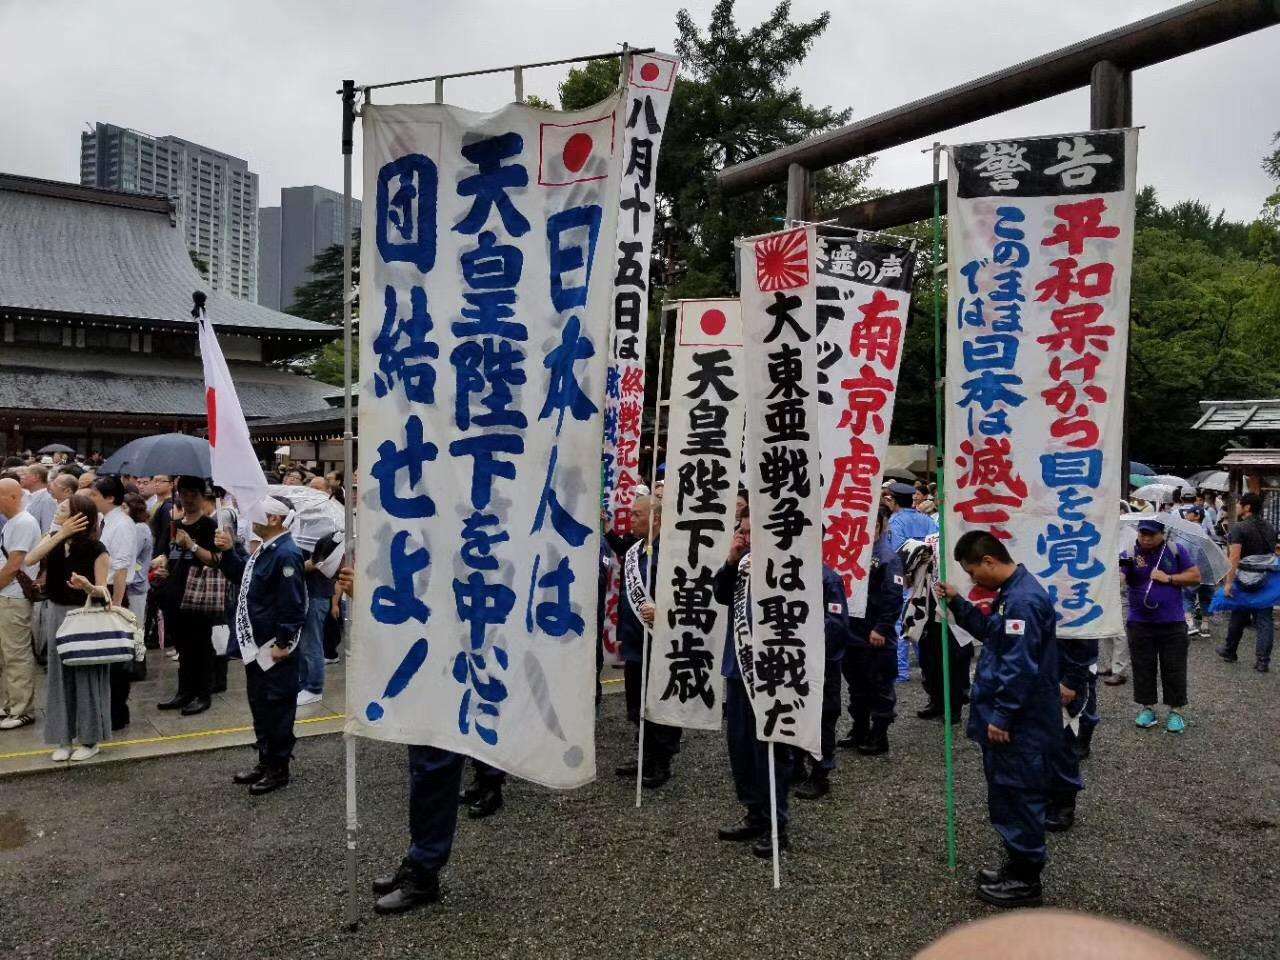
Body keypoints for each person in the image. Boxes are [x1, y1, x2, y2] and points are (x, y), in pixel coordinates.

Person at [936, 531, 1059, 908]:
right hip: (1010, 717)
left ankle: (1026, 880)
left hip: (1020, 723)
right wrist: (959, 604)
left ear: (989, 560)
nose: (973, 580)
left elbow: (1019, 666)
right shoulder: (1012, 594)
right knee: (1005, 793)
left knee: (1019, 794)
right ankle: (1016, 863)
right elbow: (994, 636)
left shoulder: (1022, 600)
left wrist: (1002, 716)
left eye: (973, 572)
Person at [712, 498, 798, 857]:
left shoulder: (786, 566)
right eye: (742, 531)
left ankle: (777, 823)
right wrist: (731, 560)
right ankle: (753, 812)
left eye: (750, 533)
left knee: (770, 750)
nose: (745, 538)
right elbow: (720, 595)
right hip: (737, 667)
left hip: (771, 673)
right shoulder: (742, 565)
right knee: (741, 747)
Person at [215, 495, 307, 795]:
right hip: (256, 645)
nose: (251, 518)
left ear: (275, 520)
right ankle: (265, 759)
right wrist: (228, 552)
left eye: (258, 514)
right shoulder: (266, 551)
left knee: (277, 706)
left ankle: (279, 767)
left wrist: (283, 640)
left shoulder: (286, 554)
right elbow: (244, 579)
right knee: (260, 704)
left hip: (273, 646)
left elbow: (291, 603)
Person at [26, 496, 113, 761]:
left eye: (64, 509)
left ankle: (90, 739)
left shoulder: (97, 548)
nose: (58, 511)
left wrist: (87, 587)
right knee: (58, 676)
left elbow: (104, 592)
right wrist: (59, 534)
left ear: (79, 516)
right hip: (55, 612)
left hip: (84, 615)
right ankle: (62, 738)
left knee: (86, 676)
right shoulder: (52, 538)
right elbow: (30, 559)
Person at [613, 491, 682, 789]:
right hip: (634, 643)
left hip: (660, 643)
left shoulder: (671, 551)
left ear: (655, 518)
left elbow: (686, 595)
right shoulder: (634, 552)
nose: (632, 520)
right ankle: (644, 754)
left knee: (660, 705)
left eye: (637, 515)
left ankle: (661, 760)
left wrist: (665, 611)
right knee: (636, 705)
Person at [833, 506, 905, 762]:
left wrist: (882, 628)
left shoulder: (887, 557)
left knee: (879, 686)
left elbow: (894, 597)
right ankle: (859, 728)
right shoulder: (851, 552)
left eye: (872, 525)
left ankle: (879, 734)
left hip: (876, 635)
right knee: (856, 685)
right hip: (852, 633)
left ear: (879, 527)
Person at [1121, 518, 1200, 733]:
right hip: (1139, 622)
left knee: (1174, 666)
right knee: (1143, 666)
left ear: (1162, 534)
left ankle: (1176, 711)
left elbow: (1195, 576)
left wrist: (1169, 578)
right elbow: (1121, 575)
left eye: (1151, 534)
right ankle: (1147, 708)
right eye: (1142, 534)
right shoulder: (1129, 552)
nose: (1146, 538)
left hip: (1172, 621)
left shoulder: (1176, 550)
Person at [153, 477, 220, 716]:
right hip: (174, 593)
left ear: (203, 496)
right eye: (184, 493)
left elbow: (216, 559)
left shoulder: (210, 526)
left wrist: (191, 545)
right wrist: (161, 566)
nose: (188, 498)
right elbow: (162, 555)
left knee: (200, 644)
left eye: (194, 493)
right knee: (182, 645)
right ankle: (184, 691)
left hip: (199, 595)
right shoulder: (172, 525)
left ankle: (203, 694)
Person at [793, 553, 852, 799]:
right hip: (795, 663)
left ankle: (820, 772)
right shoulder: (791, 575)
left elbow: (837, 625)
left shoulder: (829, 579)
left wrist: (810, 648)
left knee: (823, 717)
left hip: (822, 663)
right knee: (795, 713)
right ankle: (795, 766)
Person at [88, 476, 137, 730]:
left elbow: (120, 568)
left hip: (114, 592)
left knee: (116, 656)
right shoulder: (106, 522)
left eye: (95, 494)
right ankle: (106, 707)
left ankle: (118, 711)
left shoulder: (123, 524)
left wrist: (116, 605)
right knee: (104, 654)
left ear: (110, 497)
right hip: (102, 589)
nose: (91, 498)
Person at [1217, 492, 1277, 673]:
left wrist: (1228, 582)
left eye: (1239, 503)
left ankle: (1230, 651)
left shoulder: (1239, 528)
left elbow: (1234, 556)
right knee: (1265, 619)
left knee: (1239, 613)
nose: (1237, 506)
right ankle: (1262, 661)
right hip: (1265, 578)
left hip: (1244, 577)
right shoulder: (1270, 527)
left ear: (1247, 507)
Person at [885, 481, 938, 683]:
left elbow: (898, 553)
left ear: (894, 501)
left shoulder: (895, 522)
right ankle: (927, 668)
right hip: (928, 576)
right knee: (920, 621)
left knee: (901, 624)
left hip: (906, 579)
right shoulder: (927, 520)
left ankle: (901, 671)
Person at [0, 477, 40, 730]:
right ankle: (10, 704)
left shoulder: (24, 522)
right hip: (7, 595)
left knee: (16, 654)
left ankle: (22, 709)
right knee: (7, 654)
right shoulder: (13, 522)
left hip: (12, 596)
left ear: (13, 496)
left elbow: (14, 565)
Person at [297, 529, 340, 706]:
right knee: (304, 643)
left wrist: (294, 566)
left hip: (317, 594)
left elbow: (319, 563)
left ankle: (314, 688)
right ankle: (304, 683)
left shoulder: (325, 536)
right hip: (308, 594)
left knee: (311, 643)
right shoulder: (304, 532)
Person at [123, 492, 153, 662]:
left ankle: (138, 661)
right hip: (131, 582)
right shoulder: (132, 527)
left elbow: (130, 555)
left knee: (136, 625)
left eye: (125, 508)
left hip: (136, 583)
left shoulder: (139, 528)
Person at [20, 465, 57, 535]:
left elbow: (47, 530)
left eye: (25, 474)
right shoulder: (30, 496)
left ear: (36, 477)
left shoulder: (47, 499)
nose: (22, 477)